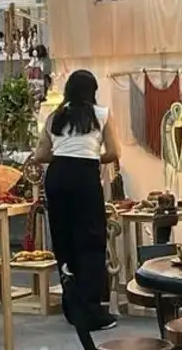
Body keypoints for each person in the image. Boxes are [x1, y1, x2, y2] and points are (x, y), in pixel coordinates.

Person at [32, 69, 121, 331]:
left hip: (58, 176)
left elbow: (40, 155)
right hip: (84, 177)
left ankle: (72, 307)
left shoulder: (55, 116)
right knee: (91, 241)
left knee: (64, 240)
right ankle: (91, 312)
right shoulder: (101, 114)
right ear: (92, 91)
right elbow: (114, 152)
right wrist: (91, 156)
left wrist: (64, 156)